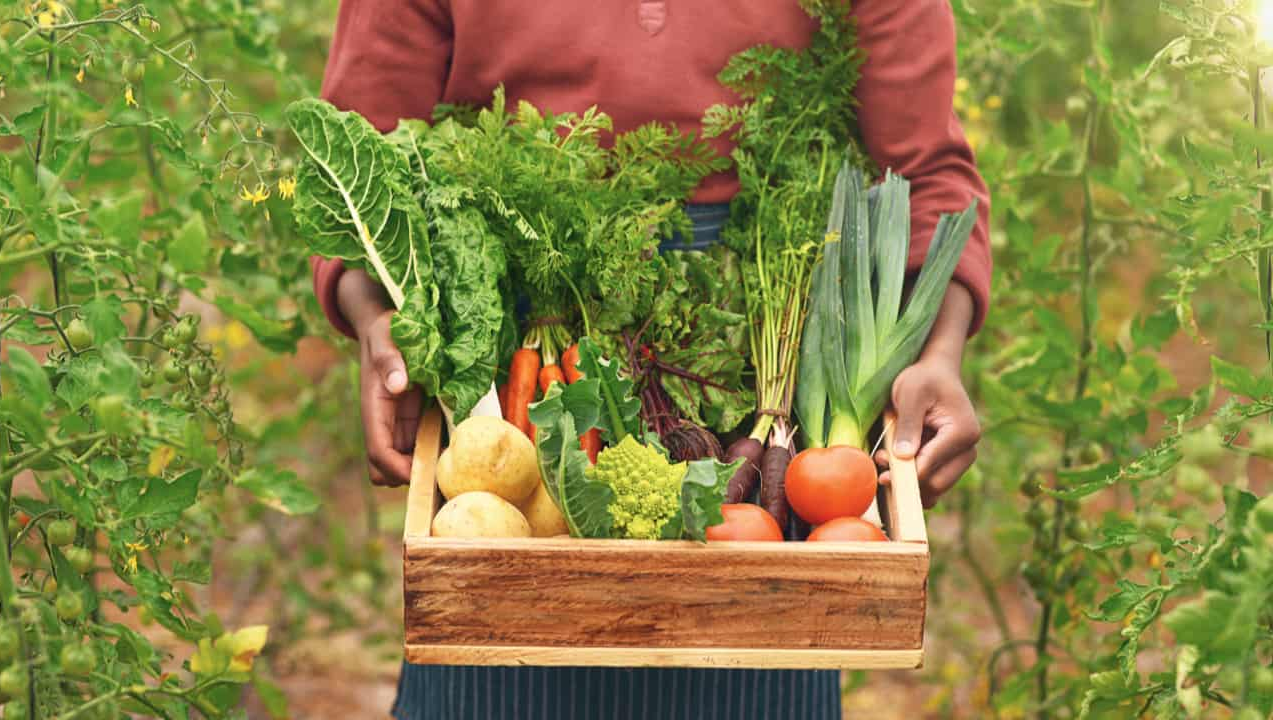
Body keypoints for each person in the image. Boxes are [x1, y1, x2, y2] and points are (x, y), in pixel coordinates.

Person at [309, 1, 991, 718]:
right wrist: (376, 317)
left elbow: (926, 180)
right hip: (513, 336)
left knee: (757, 642)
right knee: (496, 633)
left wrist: (939, 352)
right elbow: (361, 157)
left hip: (763, 346)